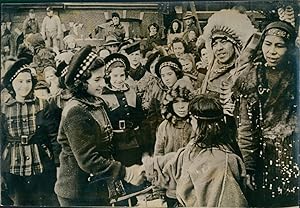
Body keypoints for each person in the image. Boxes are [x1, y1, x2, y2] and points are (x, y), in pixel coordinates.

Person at [54, 45, 144, 206]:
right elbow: (88, 160)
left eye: (103, 77)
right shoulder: (76, 111)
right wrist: (126, 172)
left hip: (96, 186)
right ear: (81, 82)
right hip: (78, 193)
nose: (103, 83)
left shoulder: (96, 102)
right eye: (97, 79)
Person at [232, 21, 299, 207]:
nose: (272, 51)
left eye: (280, 46)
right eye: (267, 44)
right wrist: (249, 167)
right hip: (263, 157)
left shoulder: (296, 76)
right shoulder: (251, 78)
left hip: (294, 153)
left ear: (290, 48)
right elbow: (245, 127)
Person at [141, 94, 248, 207]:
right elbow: (170, 164)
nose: (190, 123)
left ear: (199, 123)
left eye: (191, 119)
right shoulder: (193, 148)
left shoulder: (223, 161)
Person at [1, 58, 60, 206]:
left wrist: (58, 165)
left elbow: (54, 137)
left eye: (28, 81)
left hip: (42, 165)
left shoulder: (43, 105)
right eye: (19, 82)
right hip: (13, 168)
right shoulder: (4, 109)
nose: (24, 86)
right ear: (12, 84)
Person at [154, 83, 194, 207]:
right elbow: (158, 157)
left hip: (193, 182)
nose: (181, 106)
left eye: (185, 102)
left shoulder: (196, 125)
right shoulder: (164, 127)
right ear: (170, 104)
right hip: (171, 184)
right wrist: (158, 187)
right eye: (176, 102)